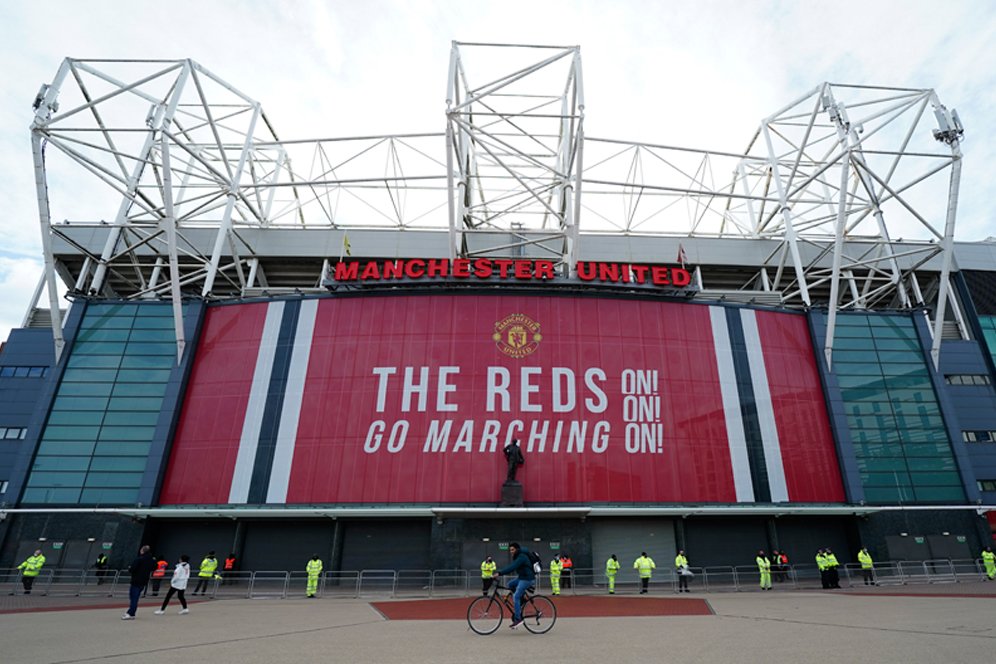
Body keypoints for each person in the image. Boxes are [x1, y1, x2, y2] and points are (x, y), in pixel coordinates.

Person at [492, 542, 535, 629]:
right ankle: (522, 599)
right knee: (510, 584)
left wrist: (499, 573)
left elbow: (512, 567)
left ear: (517, 549)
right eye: (510, 550)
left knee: (515, 597)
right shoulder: (518, 556)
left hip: (527, 579)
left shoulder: (521, 557)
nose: (511, 552)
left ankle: (518, 619)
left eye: (512, 550)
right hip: (522, 577)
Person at [122, 545, 156, 620]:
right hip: (144, 581)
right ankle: (132, 613)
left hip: (136, 580)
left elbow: (132, 569)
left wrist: (130, 568)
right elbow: (154, 567)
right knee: (135, 597)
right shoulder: (151, 560)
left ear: (142, 551)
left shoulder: (139, 559)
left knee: (133, 597)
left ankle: (130, 613)